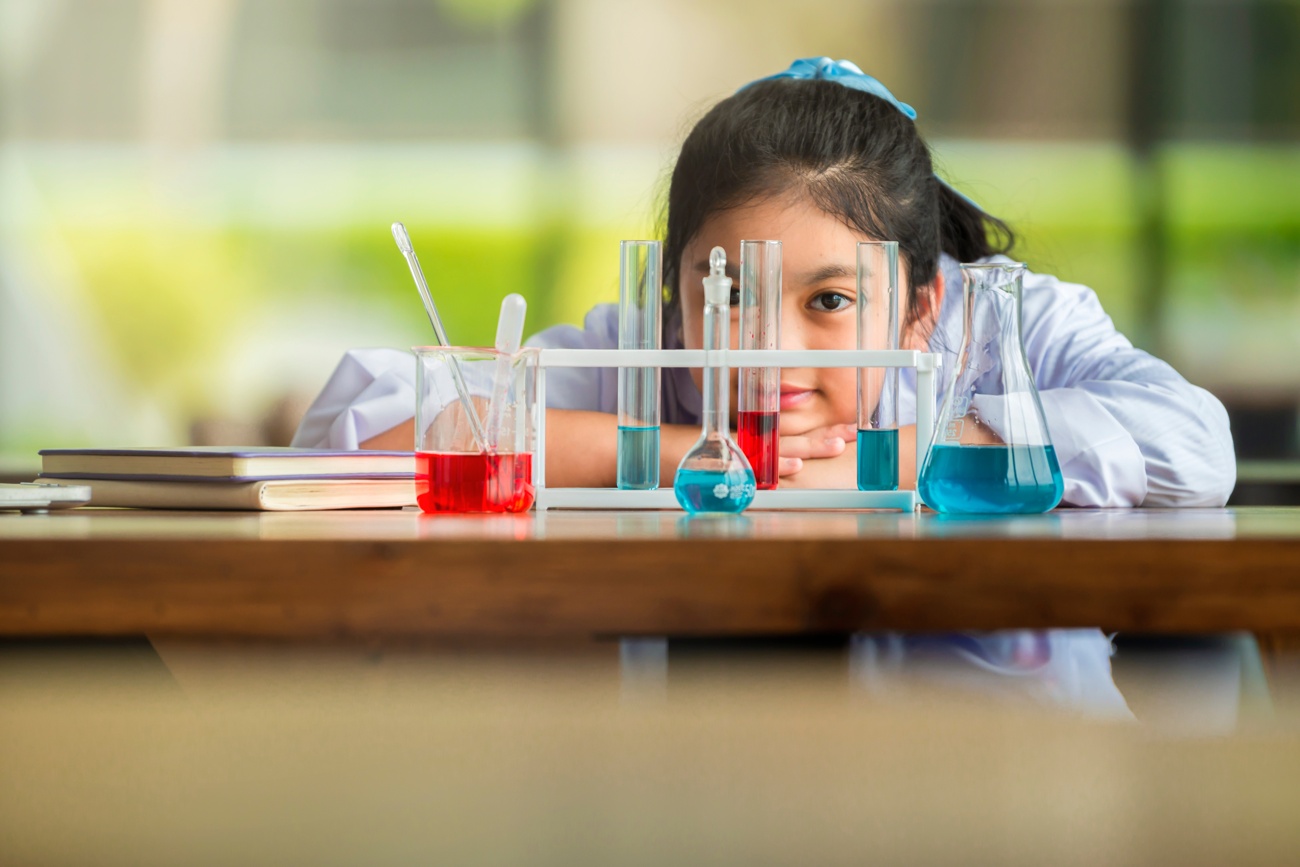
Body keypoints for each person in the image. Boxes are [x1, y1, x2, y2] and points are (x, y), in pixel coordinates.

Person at [293, 58, 1237, 717]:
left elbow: (1192, 440)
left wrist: (889, 461)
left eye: (828, 299)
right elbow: (354, 434)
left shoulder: (1002, 325)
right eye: (728, 291)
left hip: (1009, 792)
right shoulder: (650, 348)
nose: (765, 354)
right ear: (675, 291)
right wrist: (693, 455)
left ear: (919, 306)